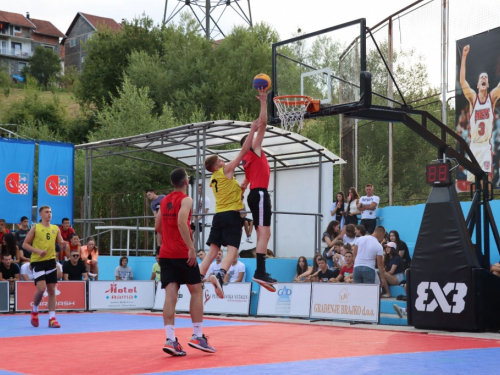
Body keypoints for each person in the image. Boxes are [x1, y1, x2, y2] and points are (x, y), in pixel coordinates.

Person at [155, 167, 216, 356]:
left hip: (165, 254)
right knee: (196, 290)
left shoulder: (164, 200)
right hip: (182, 253)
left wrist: (170, 239)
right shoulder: (186, 199)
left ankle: (170, 340)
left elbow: (157, 226)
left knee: (170, 295)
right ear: (185, 181)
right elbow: (182, 222)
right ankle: (197, 336)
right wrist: (190, 247)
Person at [198, 118, 261, 298]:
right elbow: (243, 152)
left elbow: (231, 195)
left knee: (213, 251)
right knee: (232, 251)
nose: (223, 159)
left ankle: (198, 277)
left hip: (219, 215)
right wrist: (252, 131)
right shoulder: (225, 171)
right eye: (220, 159)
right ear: (216, 165)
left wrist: (240, 190)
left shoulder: (215, 180)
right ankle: (219, 275)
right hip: (231, 216)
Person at [239, 89, 277, 289]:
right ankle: (260, 272)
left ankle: (261, 271)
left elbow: (244, 184)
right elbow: (263, 124)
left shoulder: (247, 161)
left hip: (257, 195)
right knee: (264, 234)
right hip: (260, 195)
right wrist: (263, 101)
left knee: (265, 234)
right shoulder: (253, 151)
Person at [460, 44, 500, 183]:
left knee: (485, 182)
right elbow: (462, 81)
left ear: (487, 85)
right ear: (477, 85)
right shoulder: (473, 98)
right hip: (474, 146)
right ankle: (475, 204)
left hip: (485, 146)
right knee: (473, 184)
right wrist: (464, 56)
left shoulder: (492, 97)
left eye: (486, 78)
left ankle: (486, 204)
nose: (483, 78)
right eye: (481, 77)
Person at [23, 205, 65, 328]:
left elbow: (61, 243)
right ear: (41, 215)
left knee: (52, 290)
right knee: (41, 289)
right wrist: (37, 251)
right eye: (46, 212)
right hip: (38, 261)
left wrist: (63, 244)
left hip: (51, 261)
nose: (49, 214)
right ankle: (35, 310)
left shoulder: (55, 228)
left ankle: (52, 318)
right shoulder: (36, 228)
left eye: (50, 212)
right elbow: (25, 244)